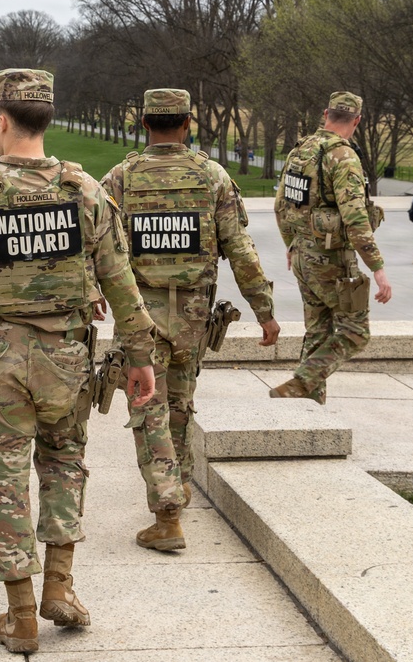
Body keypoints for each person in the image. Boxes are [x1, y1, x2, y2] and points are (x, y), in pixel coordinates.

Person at [0, 68, 157, 654]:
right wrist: (141, 357)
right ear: (45, 119)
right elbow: (121, 282)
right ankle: (61, 588)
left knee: (3, 477)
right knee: (65, 465)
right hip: (67, 357)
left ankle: (20, 614)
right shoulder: (87, 192)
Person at [100, 88, 280, 551]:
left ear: (144, 125)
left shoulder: (121, 177)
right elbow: (240, 248)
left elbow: (95, 247)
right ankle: (173, 497)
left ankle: (167, 510)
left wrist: (89, 299)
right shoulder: (212, 176)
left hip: (140, 311)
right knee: (178, 404)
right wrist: (265, 311)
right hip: (195, 313)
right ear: (187, 124)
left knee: (148, 405)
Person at [270, 91, 391, 404]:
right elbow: (355, 218)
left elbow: (281, 204)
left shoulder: (301, 150)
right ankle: (303, 382)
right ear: (357, 120)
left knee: (318, 331)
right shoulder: (343, 157)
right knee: (355, 331)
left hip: (301, 255)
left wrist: (291, 244)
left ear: (326, 113)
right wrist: (377, 268)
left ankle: (308, 404)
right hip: (331, 260)